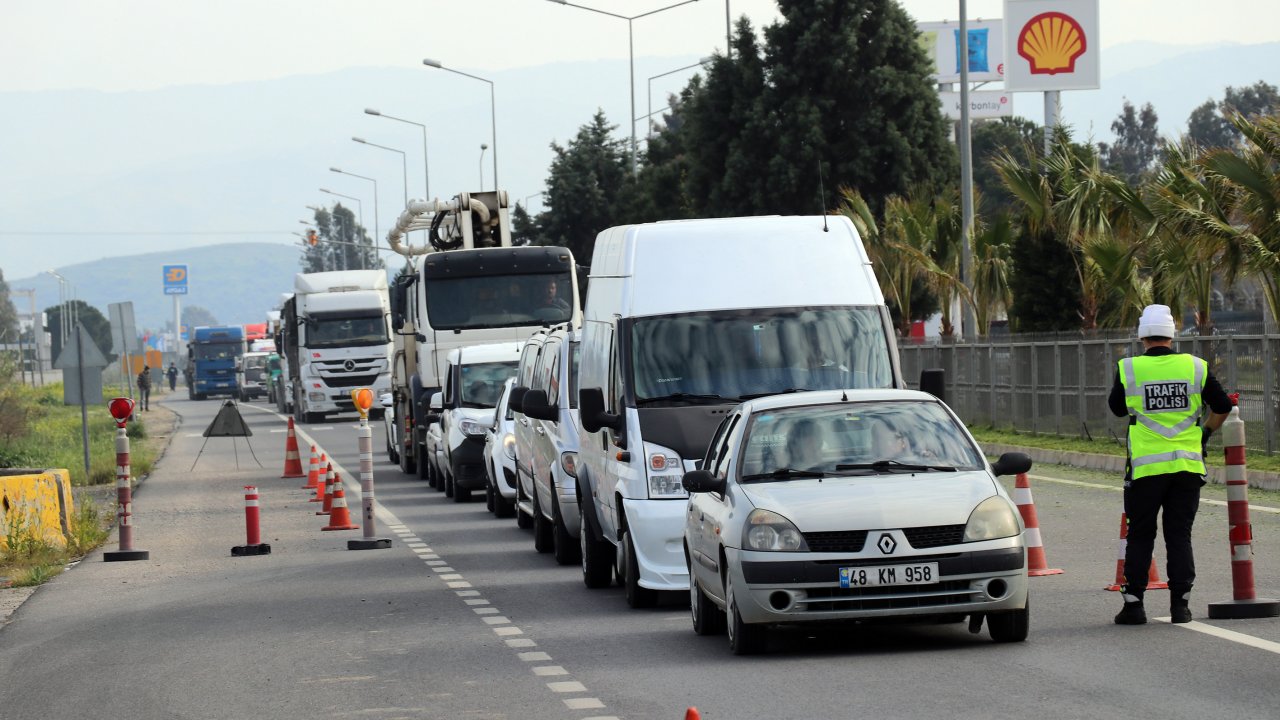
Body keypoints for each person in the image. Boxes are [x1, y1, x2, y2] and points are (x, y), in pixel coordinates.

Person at [1108, 304, 1232, 625]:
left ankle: (1134, 606)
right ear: (1172, 334)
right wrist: (1204, 432)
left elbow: (1118, 410)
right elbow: (1222, 406)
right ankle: (1181, 606)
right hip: (1187, 469)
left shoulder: (1129, 368)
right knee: (1179, 535)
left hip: (1146, 470)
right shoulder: (1195, 367)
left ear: (1142, 336)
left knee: (1140, 535)